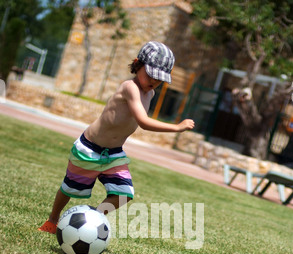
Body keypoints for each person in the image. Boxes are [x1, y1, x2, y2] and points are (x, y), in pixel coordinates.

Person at [38, 41, 195, 234]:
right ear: (138, 64)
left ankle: (91, 220)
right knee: (70, 188)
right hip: (89, 149)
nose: (153, 81)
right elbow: (143, 122)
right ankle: (52, 221)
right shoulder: (130, 87)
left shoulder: (150, 93)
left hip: (113, 154)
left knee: (124, 193)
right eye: (150, 74)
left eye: (159, 78)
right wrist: (177, 127)